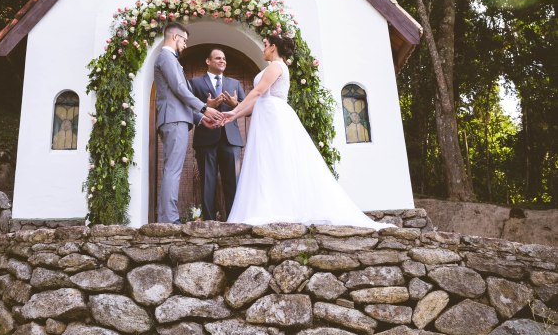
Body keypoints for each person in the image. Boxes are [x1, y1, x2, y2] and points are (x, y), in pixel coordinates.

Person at [223, 34, 393, 229]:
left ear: (274, 47)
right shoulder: (273, 67)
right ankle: (269, 205)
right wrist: (234, 115)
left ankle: (282, 208)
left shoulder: (276, 67)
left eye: (265, 45)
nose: (263, 49)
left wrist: (234, 110)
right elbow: (256, 103)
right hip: (265, 116)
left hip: (274, 118)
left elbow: (258, 92)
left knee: (277, 159)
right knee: (265, 161)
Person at [154, 21, 220, 224]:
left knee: (173, 169)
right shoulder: (166, 57)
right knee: (173, 169)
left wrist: (201, 119)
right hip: (173, 120)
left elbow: (179, 98)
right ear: (175, 37)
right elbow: (180, 89)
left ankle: (168, 217)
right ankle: (169, 219)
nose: (185, 45)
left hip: (177, 118)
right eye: (184, 40)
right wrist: (204, 108)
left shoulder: (170, 59)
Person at [190, 47, 245, 220]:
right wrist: (207, 107)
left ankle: (234, 220)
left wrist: (236, 104)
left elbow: (248, 109)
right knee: (208, 182)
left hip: (231, 139)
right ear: (208, 61)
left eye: (224, 59)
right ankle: (209, 222)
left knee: (233, 182)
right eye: (218, 58)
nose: (222, 61)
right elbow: (189, 108)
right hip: (206, 138)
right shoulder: (195, 83)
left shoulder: (235, 84)